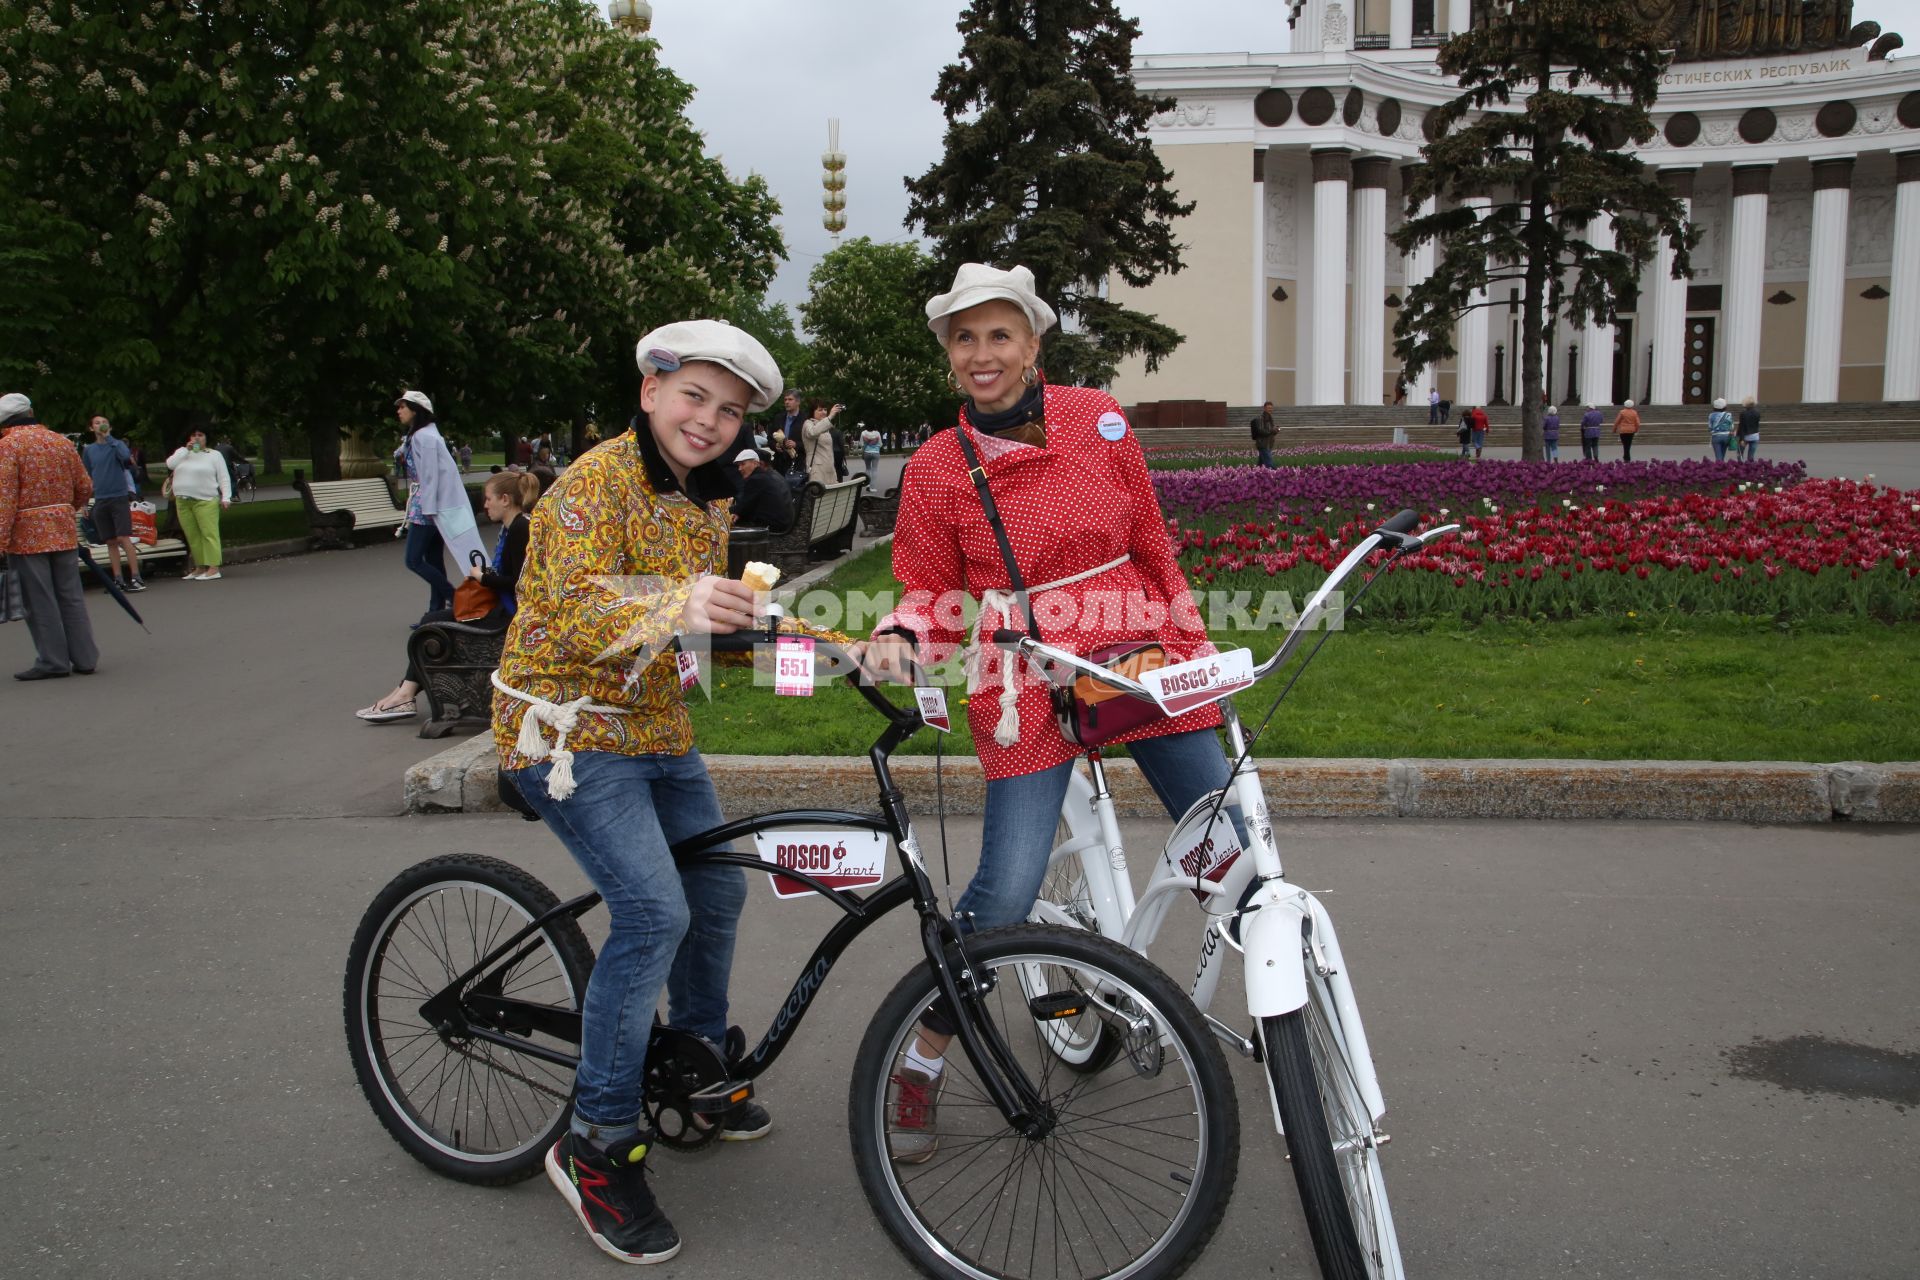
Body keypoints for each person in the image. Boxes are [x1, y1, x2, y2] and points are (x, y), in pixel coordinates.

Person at [851, 263, 1246, 1164]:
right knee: (1005, 892)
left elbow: (1152, 543)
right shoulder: (937, 467)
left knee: (1232, 840)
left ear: (1033, 344)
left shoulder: (1099, 420)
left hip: (1136, 654)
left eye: (1000, 335)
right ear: (949, 355)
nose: (982, 354)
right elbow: (926, 586)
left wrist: (1193, 651)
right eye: (964, 338)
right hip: (1025, 679)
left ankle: (1286, 1017)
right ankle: (922, 1058)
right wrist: (903, 630)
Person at [493, 320, 817, 1265]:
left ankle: (696, 1064)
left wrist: (806, 642)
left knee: (717, 886)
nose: (709, 422)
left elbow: (694, 622)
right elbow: (561, 609)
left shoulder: (706, 496)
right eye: (693, 398)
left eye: (730, 410)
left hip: (653, 726)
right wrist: (675, 604)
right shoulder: (590, 484)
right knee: (652, 912)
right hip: (561, 728)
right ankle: (593, 1142)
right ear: (649, 391)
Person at [357, 470, 538, 723]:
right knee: (431, 622)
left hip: (508, 615)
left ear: (505, 499)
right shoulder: (514, 528)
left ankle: (404, 695)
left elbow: (520, 582)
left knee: (432, 625)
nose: (485, 505)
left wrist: (483, 577)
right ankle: (404, 693)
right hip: (503, 608)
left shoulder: (521, 528)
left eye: (488, 499)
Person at [0, 393, 99, 679]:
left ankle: (53, 661)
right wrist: (65, 510)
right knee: (71, 596)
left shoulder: (8, 446)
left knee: (39, 599)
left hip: (26, 534)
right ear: (30, 411)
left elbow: (4, 499)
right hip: (63, 528)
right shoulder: (60, 441)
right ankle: (85, 658)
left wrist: (1, 539)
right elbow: (85, 486)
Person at [395, 391, 485, 625]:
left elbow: (429, 476)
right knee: (433, 560)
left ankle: (453, 598)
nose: (399, 411)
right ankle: (434, 613)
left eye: (403, 406)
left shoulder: (422, 437)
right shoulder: (426, 435)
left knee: (413, 560)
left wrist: (429, 508)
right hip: (432, 504)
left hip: (426, 507)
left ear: (415, 409)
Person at [81, 414, 144, 591]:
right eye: (97, 423)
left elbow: (125, 458)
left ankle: (136, 577)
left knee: (124, 537)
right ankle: (117, 578)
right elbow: (87, 476)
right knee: (110, 541)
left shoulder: (117, 445)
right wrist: (85, 502)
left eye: (104, 423)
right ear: (91, 428)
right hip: (101, 498)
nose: (101, 425)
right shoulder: (89, 450)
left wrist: (109, 437)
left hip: (118, 497)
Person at [166, 427, 232, 580]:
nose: (196, 438)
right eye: (193, 435)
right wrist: (185, 450)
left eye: (200, 435)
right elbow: (170, 464)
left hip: (205, 499)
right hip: (183, 500)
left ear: (206, 438)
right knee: (192, 535)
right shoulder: (182, 453)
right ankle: (200, 566)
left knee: (209, 533)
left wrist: (226, 497)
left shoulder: (214, 455)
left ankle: (213, 567)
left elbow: (223, 476)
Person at [729, 447, 793, 532]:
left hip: (772, 526)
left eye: (743, 464)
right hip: (781, 523)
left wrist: (725, 510)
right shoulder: (764, 476)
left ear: (755, 463)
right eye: (738, 465)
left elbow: (744, 506)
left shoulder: (756, 479)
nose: (739, 468)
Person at [802, 398, 842, 487]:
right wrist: (830, 416)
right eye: (820, 410)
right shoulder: (808, 423)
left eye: (825, 409)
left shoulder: (824, 426)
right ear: (812, 411)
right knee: (817, 497)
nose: (824, 412)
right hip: (816, 469)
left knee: (830, 498)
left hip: (829, 468)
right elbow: (812, 432)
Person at [1708, 397, 1735, 461]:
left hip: (1716, 436)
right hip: (1726, 436)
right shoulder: (1728, 415)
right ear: (1724, 407)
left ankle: (1719, 467)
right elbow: (1732, 427)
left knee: (1718, 456)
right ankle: (1722, 467)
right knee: (1723, 455)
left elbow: (1710, 427)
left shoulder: (1711, 415)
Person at [1252, 400, 1277, 468]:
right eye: (1268, 408)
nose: (1270, 409)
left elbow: (1270, 431)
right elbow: (1260, 430)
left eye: (1271, 408)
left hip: (1269, 443)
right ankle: (1275, 474)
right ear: (1264, 408)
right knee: (1269, 463)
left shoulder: (1270, 418)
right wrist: (1271, 431)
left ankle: (1255, 473)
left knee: (1261, 463)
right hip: (1262, 443)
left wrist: (1275, 430)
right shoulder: (1261, 418)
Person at [1737, 395, 1761, 461]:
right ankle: (1750, 468)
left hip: (1745, 435)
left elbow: (1741, 426)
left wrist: (1741, 438)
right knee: (1751, 456)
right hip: (1755, 435)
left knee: (1740, 454)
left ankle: (1740, 467)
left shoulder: (1743, 413)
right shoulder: (1757, 413)